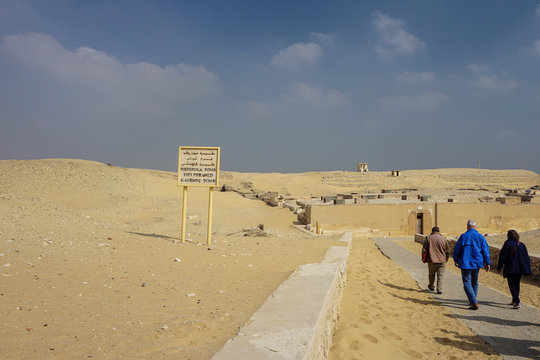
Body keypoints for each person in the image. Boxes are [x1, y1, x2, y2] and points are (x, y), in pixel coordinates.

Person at [453, 220, 491, 310]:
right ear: (475, 227)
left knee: (467, 282)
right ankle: (473, 300)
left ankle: (473, 302)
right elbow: (485, 251)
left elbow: (457, 249)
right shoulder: (480, 237)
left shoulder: (463, 236)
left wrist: (455, 259)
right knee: (474, 282)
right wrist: (487, 263)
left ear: (467, 226)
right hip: (477, 263)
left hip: (465, 263)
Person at [496, 230, 532, 309]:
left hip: (511, 268)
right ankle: (514, 300)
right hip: (520, 269)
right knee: (517, 284)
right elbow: (526, 258)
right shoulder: (522, 245)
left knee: (511, 284)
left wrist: (499, 267)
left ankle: (517, 301)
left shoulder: (507, 244)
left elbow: (502, 256)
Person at [422, 226, 450, 294]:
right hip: (442, 260)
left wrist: (423, 258)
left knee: (431, 274)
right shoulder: (444, 238)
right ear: (438, 231)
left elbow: (424, 249)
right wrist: (446, 259)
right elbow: (448, 251)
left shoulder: (428, 238)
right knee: (440, 275)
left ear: (432, 231)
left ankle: (431, 286)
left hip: (431, 260)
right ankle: (439, 289)